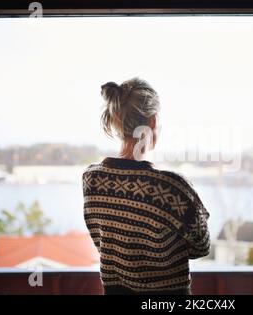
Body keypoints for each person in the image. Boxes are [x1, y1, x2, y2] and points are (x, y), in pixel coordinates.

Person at [82, 77, 210, 295]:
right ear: (152, 122)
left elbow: (103, 242)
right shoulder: (172, 188)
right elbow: (202, 246)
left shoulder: (91, 180)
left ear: (116, 119)